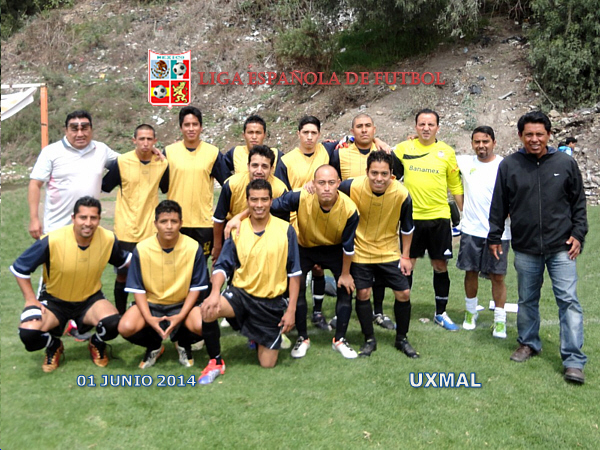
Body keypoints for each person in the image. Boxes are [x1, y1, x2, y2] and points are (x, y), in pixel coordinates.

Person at [488, 111, 588, 384]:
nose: (534, 139)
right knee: (527, 299)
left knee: (568, 301)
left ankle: (573, 361)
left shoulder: (565, 163)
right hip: (526, 246)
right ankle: (528, 343)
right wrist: (494, 236)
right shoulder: (510, 165)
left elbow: (579, 203)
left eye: (539, 134)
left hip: (562, 247)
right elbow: (499, 204)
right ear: (520, 136)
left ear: (549, 135)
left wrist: (578, 234)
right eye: (529, 134)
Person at [198, 179, 301, 384]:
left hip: (270, 303)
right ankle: (216, 362)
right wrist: (214, 292)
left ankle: (256, 334)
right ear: (247, 201)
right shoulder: (237, 230)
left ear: (271, 201)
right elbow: (222, 266)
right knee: (208, 310)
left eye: (264, 199)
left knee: (267, 363)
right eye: (254, 200)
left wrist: (291, 310)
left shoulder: (286, 230)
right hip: (241, 295)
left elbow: (295, 273)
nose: (259, 204)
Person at [10, 196, 129, 372]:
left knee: (114, 324)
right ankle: (54, 345)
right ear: (73, 218)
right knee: (29, 334)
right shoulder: (52, 240)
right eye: (83, 217)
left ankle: (96, 343)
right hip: (54, 301)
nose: (88, 223)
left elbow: (126, 262)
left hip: (90, 300)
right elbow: (20, 268)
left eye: (93, 218)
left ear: (99, 219)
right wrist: (30, 300)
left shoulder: (108, 239)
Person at [270, 165, 360, 359]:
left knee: (346, 288)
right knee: (297, 287)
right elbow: (268, 206)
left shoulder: (350, 209)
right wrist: (240, 217)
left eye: (331, 183)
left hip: (335, 249)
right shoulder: (301, 196)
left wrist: (345, 274)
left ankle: (340, 339)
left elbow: (348, 246)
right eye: (321, 183)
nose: (326, 187)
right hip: (305, 248)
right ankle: (303, 338)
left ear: (338, 183)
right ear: (313, 184)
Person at [338, 151, 419, 358]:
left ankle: (402, 339)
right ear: (367, 172)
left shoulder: (402, 194)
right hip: (361, 251)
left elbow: (407, 228)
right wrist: (311, 186)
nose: (379, 178)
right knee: (363, 293)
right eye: (374, 173)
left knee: (404, 293)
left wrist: (405, 256)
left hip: (389, 251)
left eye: (384, 174)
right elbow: (329, 190)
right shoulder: (351, 186)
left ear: (392, 174)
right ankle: (369, 339)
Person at [330, 113, 403, 331]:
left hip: (379, 220)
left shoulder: (384, 153)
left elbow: (399, 174)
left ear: (374, 129)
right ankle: (342, 312)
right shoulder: (341, 153)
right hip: (349, 222)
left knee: (378, 271)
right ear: (352, 132)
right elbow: (333, 181)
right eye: (359, 126)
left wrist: (385, 147)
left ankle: (378, 312)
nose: (364, 130)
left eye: (368, 126)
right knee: (346, 269)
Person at [393, 108, 464, 331]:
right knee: (407, 265)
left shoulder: (447, 152)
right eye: (422, 124)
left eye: (430, 124)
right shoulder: (403, 149)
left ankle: (441, 313)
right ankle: (403, 311)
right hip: (411, 219)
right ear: (415, 127)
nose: (426, 128)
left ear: (438, 128)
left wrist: (464, 213)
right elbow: (385, 164)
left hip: (439, 218)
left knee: (440, 265)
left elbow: (455, 185)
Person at [119, 200, 208, 369]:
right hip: (152, 304)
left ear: (181, 223)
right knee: (126, 327)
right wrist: (149, 318)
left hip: (182, 304)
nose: (169, 226)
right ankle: (154, 345)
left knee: (203, 326)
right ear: (155, 224)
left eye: (174, 221)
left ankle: (183, 342)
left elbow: (195, 288)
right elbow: (138, 289)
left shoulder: (193, 247)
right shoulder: (142, 249)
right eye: (163, 221)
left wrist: (180, 316)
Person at [275, 115, 338, 331]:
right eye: (305, 133)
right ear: (298, 134)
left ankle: (317, 312)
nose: (309, 137)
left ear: (319, 134)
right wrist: (303, 190)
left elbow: (351, 140)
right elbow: (282, 196)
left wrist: (380, 142)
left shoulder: (327, 151)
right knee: (294, 271)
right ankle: (290, 311)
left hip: (323, 219)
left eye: (313, 133)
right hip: (296, 222)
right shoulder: (286, 161)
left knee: (319, 268)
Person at [102, 124, 168, 314]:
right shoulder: (122, 162)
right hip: (125, 230)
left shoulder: (161, 164)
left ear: (155, 141)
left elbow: (165, 187)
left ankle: (148, 314)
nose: (145, 143)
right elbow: (105, 185)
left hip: (150, 231)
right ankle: (121, 314)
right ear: (134, 141)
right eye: (141, 139)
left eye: (149, 139)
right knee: (122, 275)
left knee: (149, 277)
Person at [456, 126, 511, 338]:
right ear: (472, 143)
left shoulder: (505, 165)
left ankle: (500, 320)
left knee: (497, 276)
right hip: (471, 230)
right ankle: (471, 312)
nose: (481, 145)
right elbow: (437, 154)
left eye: (485, 141)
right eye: (477, 142)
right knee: (470, 272)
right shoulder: (465, 162)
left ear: (494, 143)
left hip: (499, 233)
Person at [163, 106, 229, 260]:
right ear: (181, 128)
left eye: (195, 124)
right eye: (187, 125)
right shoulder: (169, 152)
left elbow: (228, 185)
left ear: (201, 127)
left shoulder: (212, 153)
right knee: (175, 267)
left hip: (203, 224)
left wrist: (222, 215)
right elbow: (160, 185)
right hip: (175, 222)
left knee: (199, 267)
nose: (191, 128)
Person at [212, 145, 288, 262]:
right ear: (248, 166)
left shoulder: (280, 190)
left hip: (267, 240)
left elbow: (283, 226)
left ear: (272, 169)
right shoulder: (232, 184)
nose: (259, 171)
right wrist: (217, 247)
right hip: (235, 236)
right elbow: (219, 218)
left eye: (264, 166)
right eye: (255, 165)